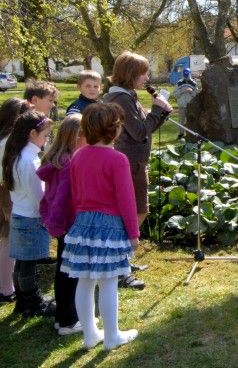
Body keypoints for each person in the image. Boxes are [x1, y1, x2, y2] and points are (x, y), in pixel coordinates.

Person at [61, 103, 140, 349]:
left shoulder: (78, 156)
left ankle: (89, 335)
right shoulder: (117, 159)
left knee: (84, 281)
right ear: (114, 130)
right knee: (108, 282)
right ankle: (112, 335)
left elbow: (75, 193)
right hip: (110, 226)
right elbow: (126, 199)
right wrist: (133, 233)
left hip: (83, 223)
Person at [105, 51, 172, 289]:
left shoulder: (128, 96)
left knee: (137, 211)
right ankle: (120, 264)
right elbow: (140, 132)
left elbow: (145, 128)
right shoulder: (121, 99)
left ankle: (122, 260)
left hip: (134, 161)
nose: (147, 77)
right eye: (143, 72)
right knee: (136, 212)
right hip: (130, 163)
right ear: (131, 74)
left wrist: (161, 114)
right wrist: (156, 111)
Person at [3, 110, 54, 316]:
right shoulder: (28, 161)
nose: (47, 139)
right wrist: (49, 213)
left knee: (22, 261)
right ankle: (33, 302)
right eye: (45, 135)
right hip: (31, 217)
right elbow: (38, 195)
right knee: (29, 263)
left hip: (19, 214)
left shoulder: (17, 155)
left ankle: (23, 302)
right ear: (33, 133)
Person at [38, 114, 82, 334]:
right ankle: (68, 320)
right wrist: (56, 223)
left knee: (63, 271)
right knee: (71, 274)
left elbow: (47, 197)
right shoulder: (69, 163)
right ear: (75, 136)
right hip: (69, 224)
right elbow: (62, 198)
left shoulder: (57, 159)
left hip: (61, 225)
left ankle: (62, 317)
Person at [0, 98, 31, 304]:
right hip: (6, 191)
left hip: (7, 188)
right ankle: (5, 288)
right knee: (8, 238)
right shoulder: (8, 141)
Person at [173, 68, 198, 138]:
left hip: (191, 106)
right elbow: (175, 94)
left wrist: (191, 91)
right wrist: (182, 91)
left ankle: (191, 134)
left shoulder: (194, 83)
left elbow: (197, 95)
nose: (186, 77)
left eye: (187, 75)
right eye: (185, 75)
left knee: (191, 121)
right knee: (181, 120)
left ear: (190, 74)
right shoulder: (179, 83)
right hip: (182, 105)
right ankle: (181, 134)